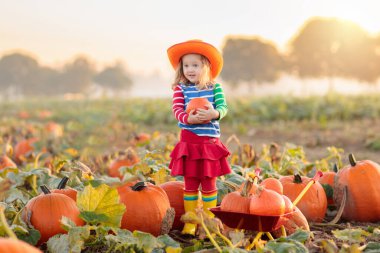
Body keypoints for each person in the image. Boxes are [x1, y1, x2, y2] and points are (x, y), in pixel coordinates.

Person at [167, 40, 231, 236]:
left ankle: (209, 223)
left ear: (206, 67)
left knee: (209, 184)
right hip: (189, 143)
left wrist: (214, 114)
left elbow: (223, 108)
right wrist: (189, 118)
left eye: (195, 65)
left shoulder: (215, 88)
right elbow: (177, 110)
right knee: (191, 185)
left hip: (209, 144)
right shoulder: (181, 89)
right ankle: (191, 222)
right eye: (186, 65)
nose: (190, 69)